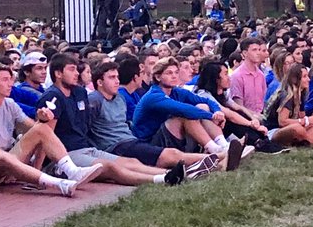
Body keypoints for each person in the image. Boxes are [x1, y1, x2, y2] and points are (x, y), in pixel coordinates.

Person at [39, 54, 199, 184]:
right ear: (58, 74)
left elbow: (84, 126)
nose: (77, 73)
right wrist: (39, 170)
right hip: (68, 153)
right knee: (110, 167)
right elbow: (45, 135)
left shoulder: (80, 93)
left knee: (132, 163)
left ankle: (172, 174)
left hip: (88, 149)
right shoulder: (53, 97)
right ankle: (161, 179)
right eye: (72, 70)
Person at [0, 64, 103, 196]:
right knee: (3, 157)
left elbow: (34, 128)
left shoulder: (9, 104)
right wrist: (11, 160)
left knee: (42, 128)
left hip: (7, 160)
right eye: (5, 80)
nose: (10, 84)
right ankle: (59, 184)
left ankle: (72, 171)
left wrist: (42, 119)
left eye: (11, 79)